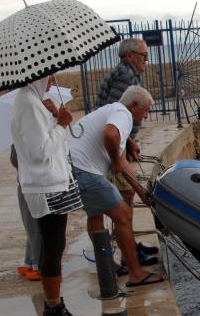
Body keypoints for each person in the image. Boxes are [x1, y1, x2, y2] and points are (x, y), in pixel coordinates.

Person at [68, 85, 164, 287]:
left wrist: (140, 190)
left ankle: (108, 265)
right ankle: (136, 273)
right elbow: (111, 136)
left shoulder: (114, 110)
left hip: (69, 168)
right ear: (134, 106)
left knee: (95, 215)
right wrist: (117, 160)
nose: (146, 116)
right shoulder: (123, 113)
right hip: (84, 171)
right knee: (123, 215)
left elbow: (122, 165)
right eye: (145, 110)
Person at [11, 76, 85, 316]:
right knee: (51, 247)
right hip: (45, 186)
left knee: (54, 245)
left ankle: (55, 306)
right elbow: (39, 152)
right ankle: (54, 310)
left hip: (51, 183)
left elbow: (46, 144)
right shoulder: (29, 104)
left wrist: (54, 118)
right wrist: (61, 125)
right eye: (49, 74)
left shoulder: (34, 102)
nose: (53, 78)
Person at [95, 38, 157, 266]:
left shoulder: (126, 73)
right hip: (115, 150)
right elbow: (115, 113)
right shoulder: (126, 76)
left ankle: (130, 247)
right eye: (143, 56)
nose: (146, 61)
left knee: (126, 199)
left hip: (120, 146)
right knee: (126, 199)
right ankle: (128, 254)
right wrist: (128, 142)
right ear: (130, 56)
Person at [10, 145, 41, 281]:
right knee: (37, 229)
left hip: (24, 185)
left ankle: (30, 262)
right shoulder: (31, 133)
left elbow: (14, 159)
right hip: (35, 187)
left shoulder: (16, 134)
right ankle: (38, 266)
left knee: (31, 228)